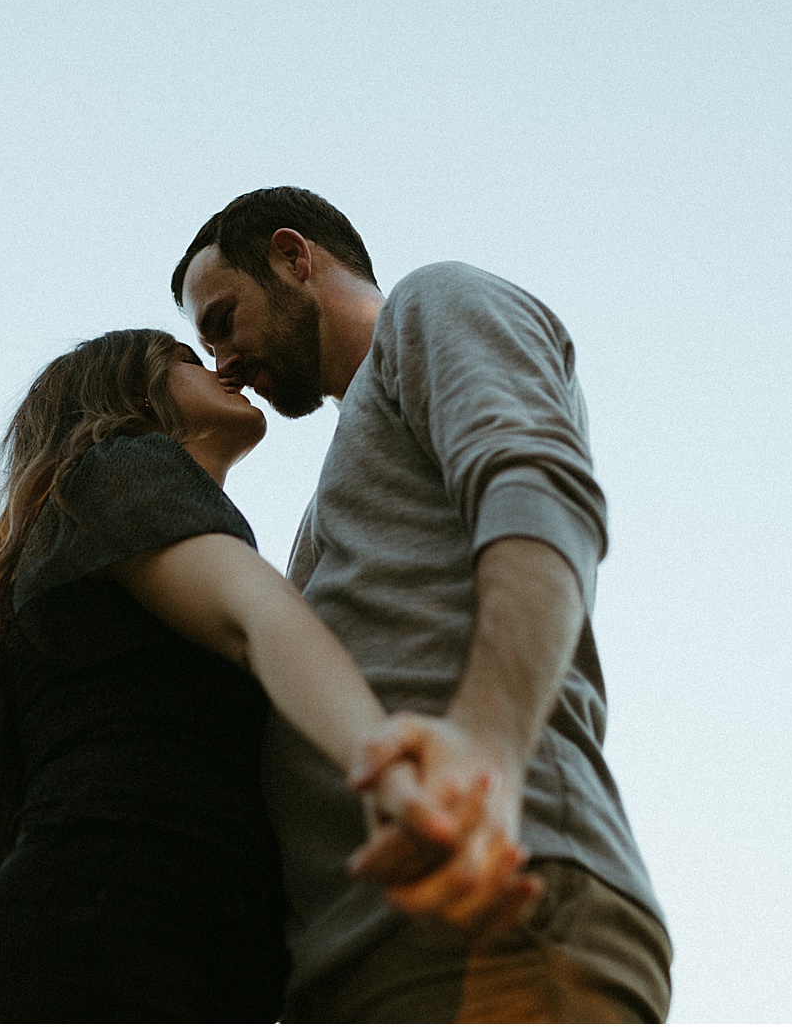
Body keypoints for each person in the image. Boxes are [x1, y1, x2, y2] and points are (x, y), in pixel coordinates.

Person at [0, 328, 531, 1022]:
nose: (223, 367)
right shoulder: (116, 468)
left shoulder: (129, 542)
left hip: (166, 957)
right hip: (97, 951)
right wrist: (390, 771)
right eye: (185, 359)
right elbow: (258, 616)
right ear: (128, 394)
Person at [172, 186, 673, 1022]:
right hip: (358, 951)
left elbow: (540, 490)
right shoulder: (329, 498)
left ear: (295, 258)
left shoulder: (434, 303)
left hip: (492, 900)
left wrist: (488, 747)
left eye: (223, 319)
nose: (222, 359)